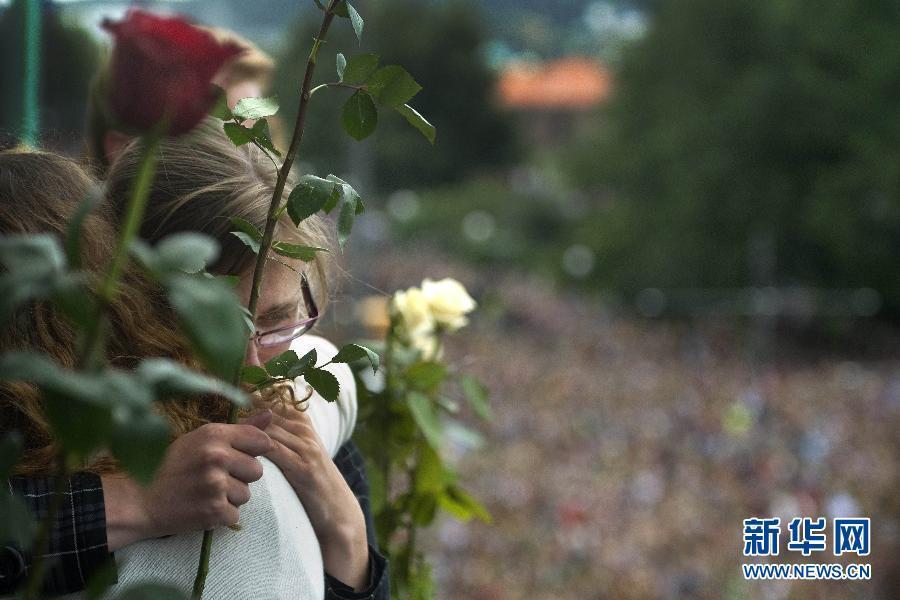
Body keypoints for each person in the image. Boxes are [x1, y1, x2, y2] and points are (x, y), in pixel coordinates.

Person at [1, 143, 387, 598]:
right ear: (130, 306)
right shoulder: (75, 423)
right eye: (214, 326)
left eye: (277, 321)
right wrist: (136, 498)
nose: (251, 366)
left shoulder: (309, 421)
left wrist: (346, 531)